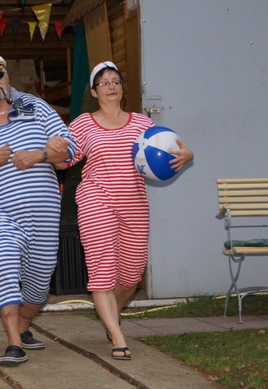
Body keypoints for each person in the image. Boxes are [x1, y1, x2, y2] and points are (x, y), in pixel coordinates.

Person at [59, 61, 194, 360]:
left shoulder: (142, 125)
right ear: (94, 92)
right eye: (104, 82)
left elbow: (175, 150)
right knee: (102, 272)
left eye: (116, 81)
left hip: (134, 205)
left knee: (131, 275)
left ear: (122, 88)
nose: (111, 86)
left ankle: (111, 316)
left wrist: (188, 154)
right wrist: (52, 151)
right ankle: (118, 337)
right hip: (96, 201)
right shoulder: (82, 124)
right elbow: (64, 161)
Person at [0, 56, 77, 366]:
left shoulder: (36, 107)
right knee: (4, 267)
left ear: (7, 76)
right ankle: (13, 343)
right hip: (1, 212)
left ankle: (22, 327)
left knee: (39, 284)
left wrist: (39, 155)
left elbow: (71, 148)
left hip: (45, 215)